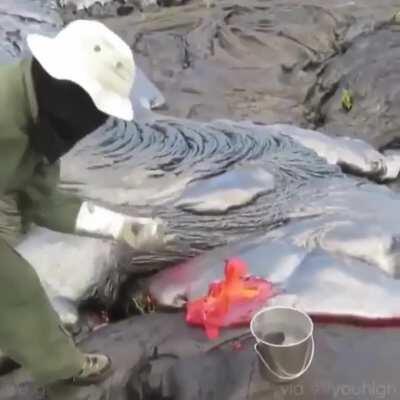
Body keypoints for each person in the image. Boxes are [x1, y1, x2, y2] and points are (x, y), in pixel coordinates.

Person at [0, 19, 169, 386]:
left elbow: (42, 202)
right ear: (64, 88)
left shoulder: (39, 123)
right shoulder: (4, 113)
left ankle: (34, 350)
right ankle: (60, 369)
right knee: (15, 284)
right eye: (90, 108)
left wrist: (120, 225)